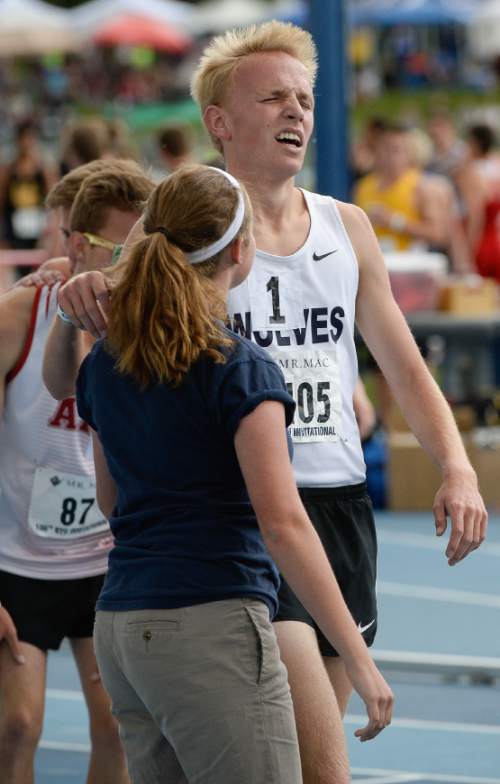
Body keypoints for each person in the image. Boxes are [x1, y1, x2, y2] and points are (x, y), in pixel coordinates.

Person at [42, 21, 487, 784]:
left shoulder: (348, 226)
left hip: (340, 511)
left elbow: (406, 368)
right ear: (220, 121)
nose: (297, 112)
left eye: (306, 98)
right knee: (324, 770)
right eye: (274, 96)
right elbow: (81, 375)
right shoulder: (186, 225)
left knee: (313, 765)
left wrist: (457, 465)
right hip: (248, 525)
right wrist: (76, 299)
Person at [75, 162, 392, 784]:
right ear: (243, 252)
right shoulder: (243, 370)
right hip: (211, 622)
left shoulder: (108, 364)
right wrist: (359, 658)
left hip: (121, 625)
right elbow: (283, 524)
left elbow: (110, 503)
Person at [0, 159, 153, 784]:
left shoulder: (148, 324)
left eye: (142, 252)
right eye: (118, 252)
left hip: (105, 564)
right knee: (17, 725)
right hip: (18, 565)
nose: (127, 269)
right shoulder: (20, 316)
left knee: (120, 727)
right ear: (76, 245)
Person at [354, 120, 448, 252]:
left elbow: (438, 234)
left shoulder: (421, 186)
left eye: (396, 150)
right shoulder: (364, 186)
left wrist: (395, 222)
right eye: (385, 148)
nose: (389, 156)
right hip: (377, 262)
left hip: (410, 264)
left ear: (409, 153)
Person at [466, 123, 500, 282]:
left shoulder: (473, 173)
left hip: (483, 243)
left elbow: (476, 216)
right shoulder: (496, 165)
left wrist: (469, 250)